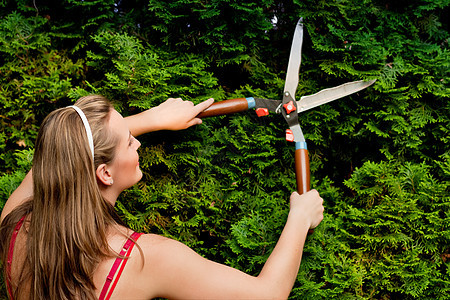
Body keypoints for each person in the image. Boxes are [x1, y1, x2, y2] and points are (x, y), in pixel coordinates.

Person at [0, 94, 324, 299]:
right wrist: (299, 218)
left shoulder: (14, 225)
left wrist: (149, 120)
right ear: (105, 174)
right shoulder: (142, 259)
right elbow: (265, 295)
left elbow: (64, 153)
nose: (138, 143)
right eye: (129, 141)